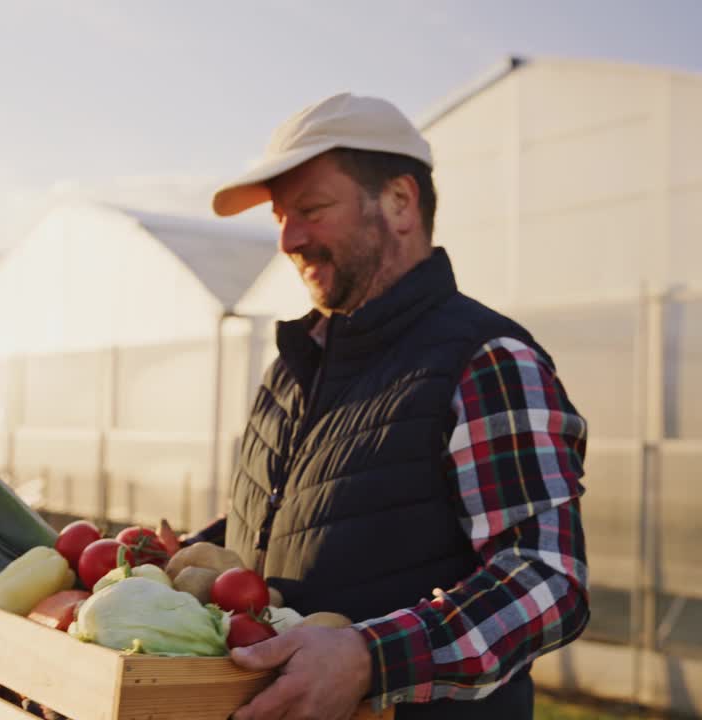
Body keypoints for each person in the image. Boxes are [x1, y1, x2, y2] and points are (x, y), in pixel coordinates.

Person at [191, 92, 590, 720]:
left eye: (311, 210)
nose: (289, 239)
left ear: (400, 203)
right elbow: (298, 519)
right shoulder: (292, 369)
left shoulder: (484, 358)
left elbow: (545, 580)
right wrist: (189, 553)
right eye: (279, 217)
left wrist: (371, 659)